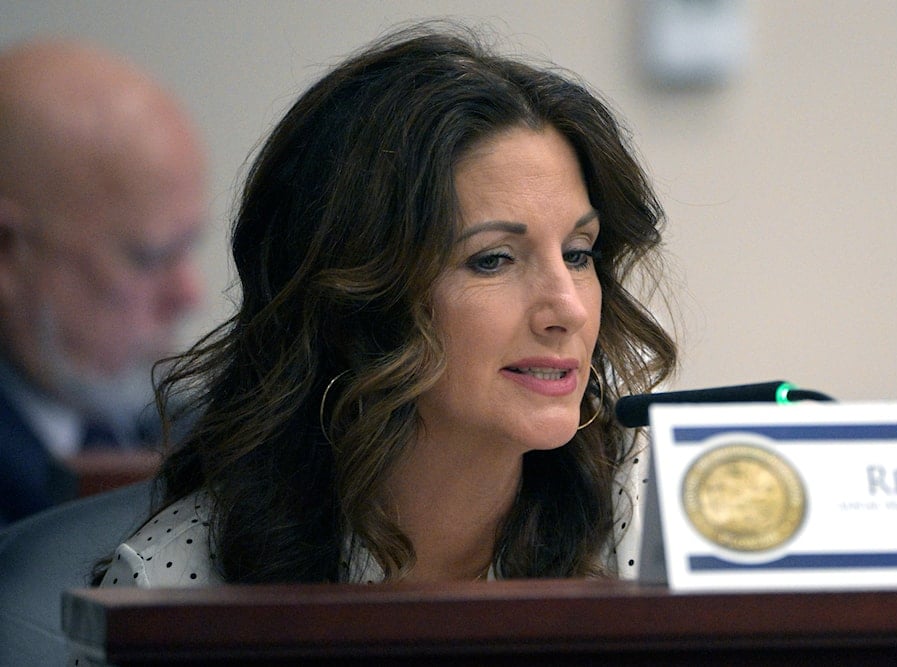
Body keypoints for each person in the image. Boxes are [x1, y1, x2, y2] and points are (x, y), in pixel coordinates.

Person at [96, 24, 675, 587]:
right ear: (357, 297)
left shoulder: (669, 506)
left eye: (579, 253)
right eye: (492, 260)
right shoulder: (172, 583)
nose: (568, 310)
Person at [0, 39, 207, 527]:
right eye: (149, 257)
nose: (189, 293)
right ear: (7, 250)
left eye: (188, 247)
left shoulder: (193, 440)